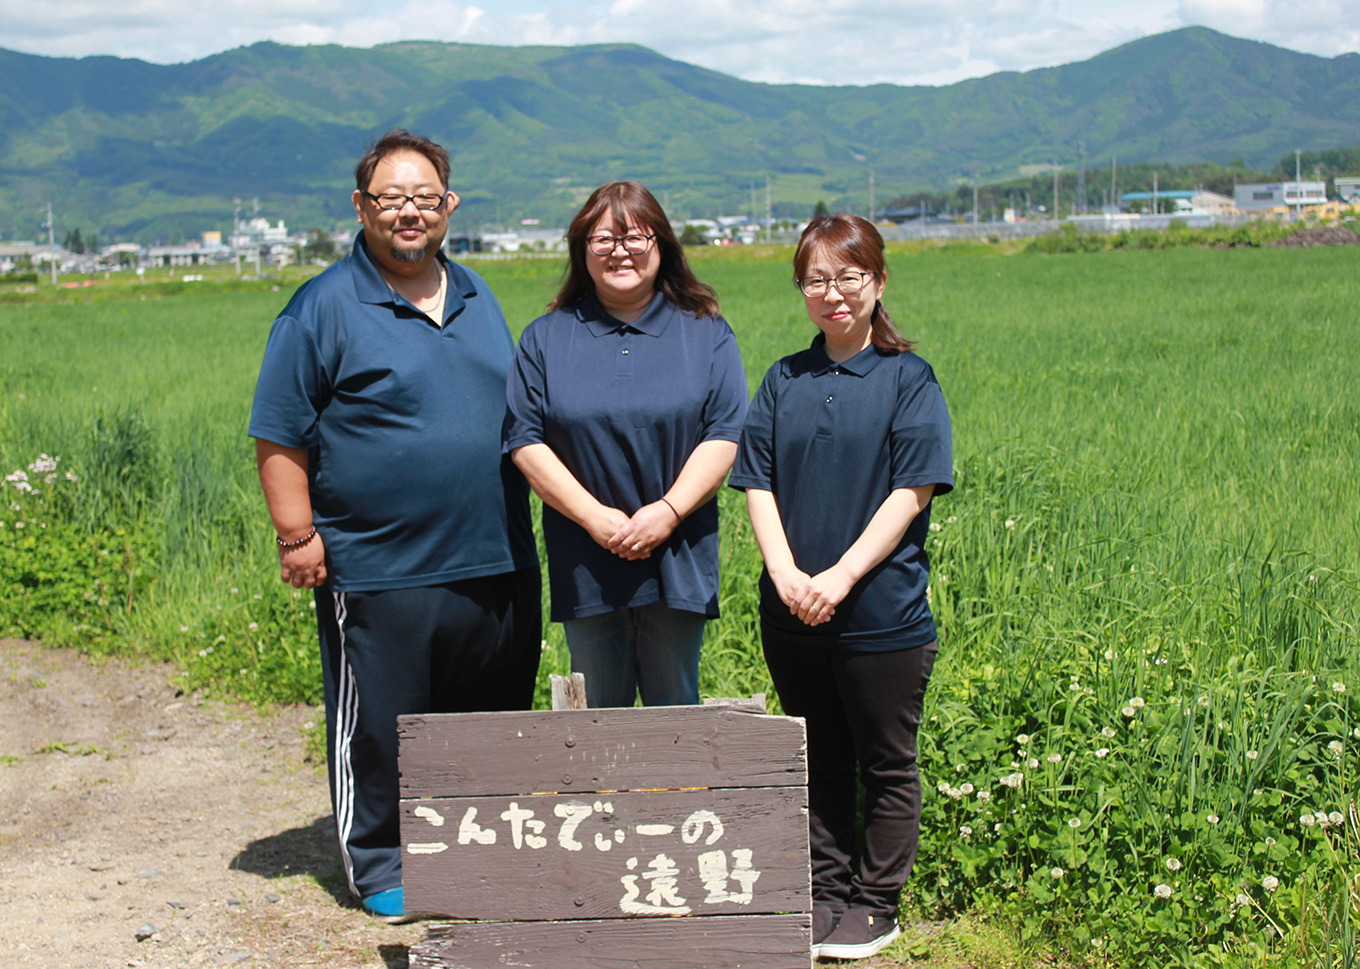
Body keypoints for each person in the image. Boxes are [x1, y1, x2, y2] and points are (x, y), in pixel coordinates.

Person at [248, 129, 540, 922]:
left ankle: (477, 848)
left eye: (424, 198)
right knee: (381, 723)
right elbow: (279, 431)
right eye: (391, 198)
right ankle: (379, 857)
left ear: (448, 206)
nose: (409, 213)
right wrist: (297, 533)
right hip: (379, 565)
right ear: (361, 206)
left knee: (487, 713)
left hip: (493, 554)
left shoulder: (479, 295)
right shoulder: (322, 307)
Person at [728, 214, 952, 960]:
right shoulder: (784, 378)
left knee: (886, 759)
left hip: (881, 613)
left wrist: (841, 575)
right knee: (817, 753)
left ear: (878, 282)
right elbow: (756, 480)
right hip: (792, 611)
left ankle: (876, 902)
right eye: (816, 279)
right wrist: (788, 574)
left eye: (848, 276)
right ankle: (825, 889)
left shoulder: (906, 379)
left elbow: (912, 489)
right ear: (802, 289)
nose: (833, 293)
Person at [503, 181, 747, 708]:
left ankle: (675, 796)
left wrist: (668, 511)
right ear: (581, 250)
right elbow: (526, 442)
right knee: (594, 716)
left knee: (674, 712)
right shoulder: (547, 338)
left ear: (661, 244)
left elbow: (724, 434)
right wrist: (593, 517)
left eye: (635, 236)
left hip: (677, 552)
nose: (620, 250)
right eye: (603, 239)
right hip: (585, 559)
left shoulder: (704, 332)